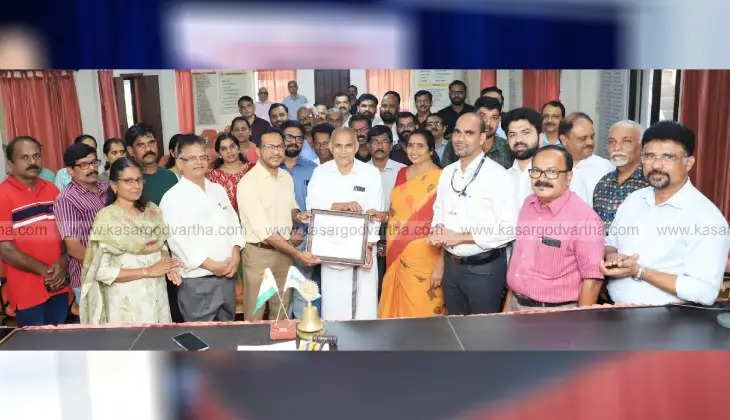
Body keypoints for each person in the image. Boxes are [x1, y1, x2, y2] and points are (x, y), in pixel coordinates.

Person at [601, 121, 730, 306]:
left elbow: (705, 292)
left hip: (668, 321)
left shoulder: (707, 219)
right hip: (615, 311)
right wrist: (613, 257)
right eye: (650, 156)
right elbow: (611, 243)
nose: (657, 165)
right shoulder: (634, 200)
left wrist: (639, 271)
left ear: (689, 163)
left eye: (668, 157)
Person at [428, 113, 518, 315]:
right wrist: (437, 229)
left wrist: (459, 237)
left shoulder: (498, 176)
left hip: (484, 269)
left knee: (482, 335)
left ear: (482, 138)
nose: (460, 138)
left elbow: (510, 229)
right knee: (456, 332)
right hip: (452, 268)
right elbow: (439, 210)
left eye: (469, 133)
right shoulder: (448, 172)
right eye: (457, 132)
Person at [80, 157, 181, 324]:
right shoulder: (107, 218)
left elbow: (161, 245)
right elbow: (100, 271)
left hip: (158, 295)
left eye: (139, 180)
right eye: (128, 181)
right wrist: (147, 271)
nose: (136, 186)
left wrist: (167, 264)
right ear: (114, 186)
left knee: (160, 346)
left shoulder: (152, 210)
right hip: (126, 303)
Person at [503, 146, 604, 312]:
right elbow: (520, 261)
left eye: (551, 172)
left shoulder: (585, 220)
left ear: (569, 176)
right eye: (536, 171)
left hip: (555, 314)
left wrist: (581, 326)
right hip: (516, 304)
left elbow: (592, 282)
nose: (542, 178)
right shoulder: (529, 204)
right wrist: (507, 308)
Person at [160, 134, 244, 322]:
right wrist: (212, 265)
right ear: (179, 162)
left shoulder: (217, 189)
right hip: (197, 281)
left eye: (202, 157)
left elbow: (233, 224)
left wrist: (236, 254)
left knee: (227, 332)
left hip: (227, 276)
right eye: (191, 158)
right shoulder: (172, 198)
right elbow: (178, 240)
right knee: (202, 340)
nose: (198, 162)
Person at [238, 127, 320, 320]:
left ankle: (278, 349)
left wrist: (299, 216)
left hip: (284, 253)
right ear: (257, 151)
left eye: (280, 146)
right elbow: (266, 233)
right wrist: (299, 254)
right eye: (270, 147)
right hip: (259, 254)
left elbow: (291, 207)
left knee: (281, 313)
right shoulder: (248, 183)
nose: (276, 151)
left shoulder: (285, 177)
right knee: (255, 314)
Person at [307, 127, 384, 320]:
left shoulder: (371, 173)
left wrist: (369, 246)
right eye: (339, 146)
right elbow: (312, 208)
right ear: (331, 148)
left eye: (348, 146)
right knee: (335, 306)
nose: (343, 151)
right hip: (332, 250)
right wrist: (339, 206)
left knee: (364, 309)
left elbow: (376, 212)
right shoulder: (320, 173)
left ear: (357, 147)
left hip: (364, 250)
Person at [0, 136, 70, 326]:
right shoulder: (2, 195)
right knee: (35, 348)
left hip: (58, 285)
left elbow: (65, 233)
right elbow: (5, 248)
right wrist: (47, 272)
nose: (32, 162)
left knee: (59, 341)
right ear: (10, 163)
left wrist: (62, 262)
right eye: (25, 157)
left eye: (36, 156)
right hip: (27, 290)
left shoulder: (52, 190)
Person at [378, 129, 446, 318]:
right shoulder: (401, 173)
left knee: (424, 307)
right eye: (410, 145)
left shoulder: (443, 177)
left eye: (420, 146)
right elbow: (397, 212)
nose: (414, 150)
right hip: (396, 252)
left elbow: (446, 221)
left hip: (426, 254)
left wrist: (441, 263)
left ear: (431, 150)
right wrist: (381, 216)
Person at [54, 143, 110, 309]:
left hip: (117, 271)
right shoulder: (66, 199)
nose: (91, 168)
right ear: (70, 170)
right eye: (84, 165)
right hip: (89, 277)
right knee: (98, 331)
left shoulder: (106, 188)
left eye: (94, 163)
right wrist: (105, 269)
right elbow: (74, 248)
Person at [593, 120, 649, 231]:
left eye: (626, 141)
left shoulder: (650, 183)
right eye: (611, 142)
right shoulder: (603, 182)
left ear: (642, 147)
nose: (617, 147)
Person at [559, 112, 614, 206]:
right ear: (564, 140)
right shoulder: (551, 165)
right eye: (583, 138)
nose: (590, 142)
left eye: (592, 137)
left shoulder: (606, 168)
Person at [443, 97, 513, 169]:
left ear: (499, 120)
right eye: (483, 115)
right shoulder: (457, 143)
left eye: (494, 117)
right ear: (474, 116)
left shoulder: (507, 147)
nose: (488, 123)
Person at [125, 123, 178, 206]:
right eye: (141, 145)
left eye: (151, 143)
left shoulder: (170, 176)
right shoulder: (129, 182)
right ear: (130, 150)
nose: (148, 149)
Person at [503, 107, 542, 207]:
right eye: (512, 134)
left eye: (525, 132)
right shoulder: (501, 177)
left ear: (540, 137)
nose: (518, 139)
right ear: (507, 140)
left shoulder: (551, 176)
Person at [206, 132, 253, 213]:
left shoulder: (252, 169)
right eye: (224, 149)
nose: (229, 151)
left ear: (238, 149)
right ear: (219, 154)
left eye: (232, 146)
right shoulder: (212, 176)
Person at [368, 125, 406, 210]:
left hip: (394, 221)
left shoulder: (403, 170)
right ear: (368, 146)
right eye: (375, 142)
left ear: (391, 145)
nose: (380, 146)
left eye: (384, 142)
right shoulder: (360, 171)